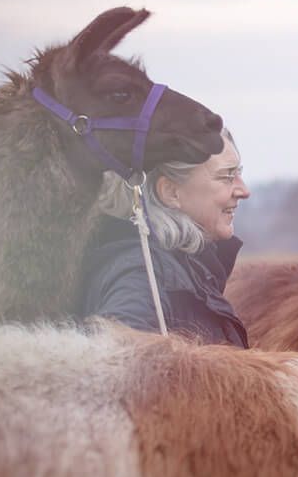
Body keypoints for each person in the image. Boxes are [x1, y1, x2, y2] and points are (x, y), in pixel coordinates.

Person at [80, 129, 251, 347]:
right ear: (171, 193)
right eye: (226, 176)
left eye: (238, 173)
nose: (244, 190)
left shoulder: (182, 267)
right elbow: (116, 361)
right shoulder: (142, 275)